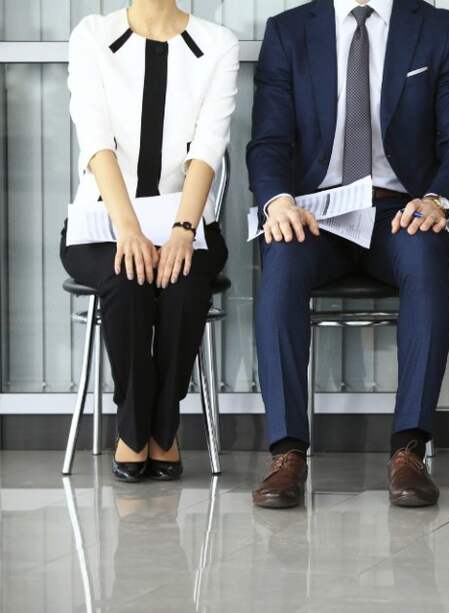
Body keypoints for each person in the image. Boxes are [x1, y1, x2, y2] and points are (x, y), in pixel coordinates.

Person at [247, 0, 449, 509]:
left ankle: (410, 449)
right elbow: (267, 142)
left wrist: (436, 201)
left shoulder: (440, 29)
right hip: (316, 212)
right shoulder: (289, 32)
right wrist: (279, 202)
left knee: (425, 258)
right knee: (281, 259)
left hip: (399, 210)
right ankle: (287, 455)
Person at [61, 1, 238, 481]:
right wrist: (129, 229)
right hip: (104, 224)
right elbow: (95, 141)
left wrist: (183, 230)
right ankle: (135, 430)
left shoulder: (218, 44)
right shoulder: (92, 35)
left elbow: (208, 150)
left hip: (186, 222)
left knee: (183, 284)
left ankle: (164, 427)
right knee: (128, 277)